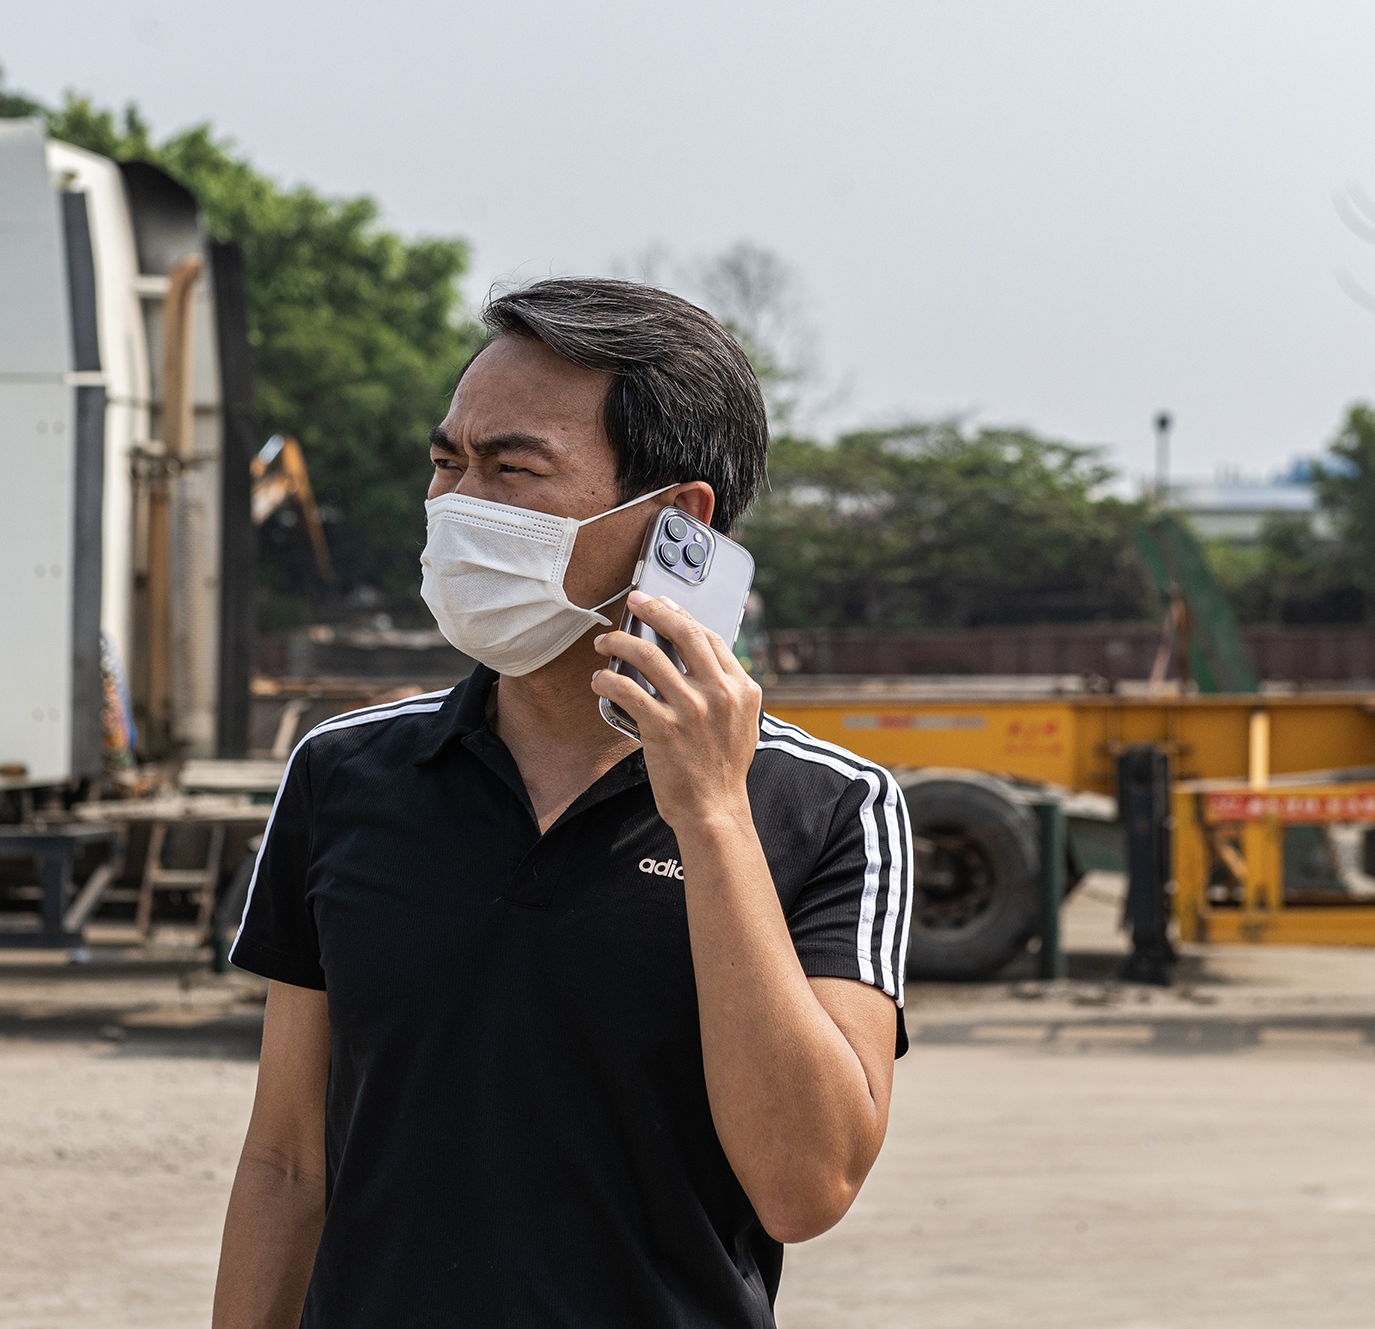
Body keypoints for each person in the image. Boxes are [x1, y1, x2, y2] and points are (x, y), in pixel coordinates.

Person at [213, 278, 911, 1328]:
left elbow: (804, 1185)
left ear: (675, 522)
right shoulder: (343, 774)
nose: (455, 505)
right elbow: (285, 1164)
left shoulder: (826, 807)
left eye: (512, 467)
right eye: (447, 461)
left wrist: (711, 813)